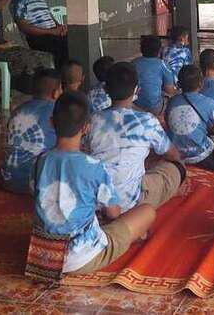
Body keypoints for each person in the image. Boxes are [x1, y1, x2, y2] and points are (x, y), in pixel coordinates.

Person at [25, 92, 155, 280]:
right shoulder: (94, 166)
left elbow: (36, 196)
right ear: (86, 127)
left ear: (52, 123)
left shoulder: (39, 161)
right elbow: (113, 213)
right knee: (147, 211)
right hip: (81, 257)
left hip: (44, 254)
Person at [87, 62, 185, 211]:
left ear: (105, 89)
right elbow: (173, 155)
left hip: (96, 199)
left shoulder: (92, 120)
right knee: (177, 167)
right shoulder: (148, 121)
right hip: (130, 200)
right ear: (137, 90)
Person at [0, 68, 61, 194]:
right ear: (55, 93)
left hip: (8, 180)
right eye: (61, 89)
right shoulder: (56, 111)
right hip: (38, 184)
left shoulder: (17, 110)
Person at [165, 65, 214, 172]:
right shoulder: (209, 102)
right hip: (200, 155)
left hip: (174, 154)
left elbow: (167, 122)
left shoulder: (172, 101)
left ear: (179, 84)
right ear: (201, 84)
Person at [10, 0, 68, 69]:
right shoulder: (19, 1)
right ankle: (60, 75)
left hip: (52, 34)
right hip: (37, 38)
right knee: (63, 45)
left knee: (75, 38)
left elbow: (50, 17)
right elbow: (24, 27)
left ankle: (71, 74)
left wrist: (60, 27)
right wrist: (51, 32)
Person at [132, 35, 177, 115]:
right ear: (159, 50)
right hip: (156, 109)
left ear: (141, 49)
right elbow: (169, 90)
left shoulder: (133, 63)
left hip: (135, 106)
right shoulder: (163, 64)